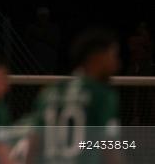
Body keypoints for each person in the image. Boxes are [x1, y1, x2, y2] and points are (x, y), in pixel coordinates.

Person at [26, 27, 122, 164]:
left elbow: (33, 143)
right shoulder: (101, 95)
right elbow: (109, 147)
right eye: (113, 55)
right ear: (97, 57)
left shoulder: (48, 92)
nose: (117, 64)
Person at [25, 7, 60, 74]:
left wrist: (39, 35)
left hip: (49, 60)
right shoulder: (31, 28)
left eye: (45, 16)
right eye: (41, 16)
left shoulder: (54, 28)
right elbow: (27, 43)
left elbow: (55, 42)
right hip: (35, 60)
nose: (43, 18)